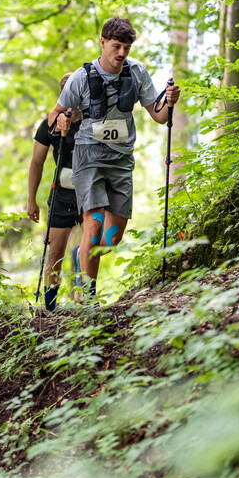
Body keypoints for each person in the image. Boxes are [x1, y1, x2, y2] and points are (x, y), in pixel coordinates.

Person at [49, 17, 181, 298]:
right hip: (89, 158)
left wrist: (170, 102)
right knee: (93, 226)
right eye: (116, 46)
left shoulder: (136, 73)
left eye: (127, 48)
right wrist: (60, 120)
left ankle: (81, 254)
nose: (121, 53)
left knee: (111, 238)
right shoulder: (81, 77)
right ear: (103, 42)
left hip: (121, 160)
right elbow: (54, 114)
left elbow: (159, 117)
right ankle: (89, 296)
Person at [27, 74, 83, 312]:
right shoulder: (49, 124)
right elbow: (36, 162)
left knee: (85, 247)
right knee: (56, 251)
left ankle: (83, 297)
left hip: (89, 193)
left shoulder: (93, 121)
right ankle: (50, 306)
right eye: (65, 92)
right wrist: (32, 200)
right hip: (61, 194)